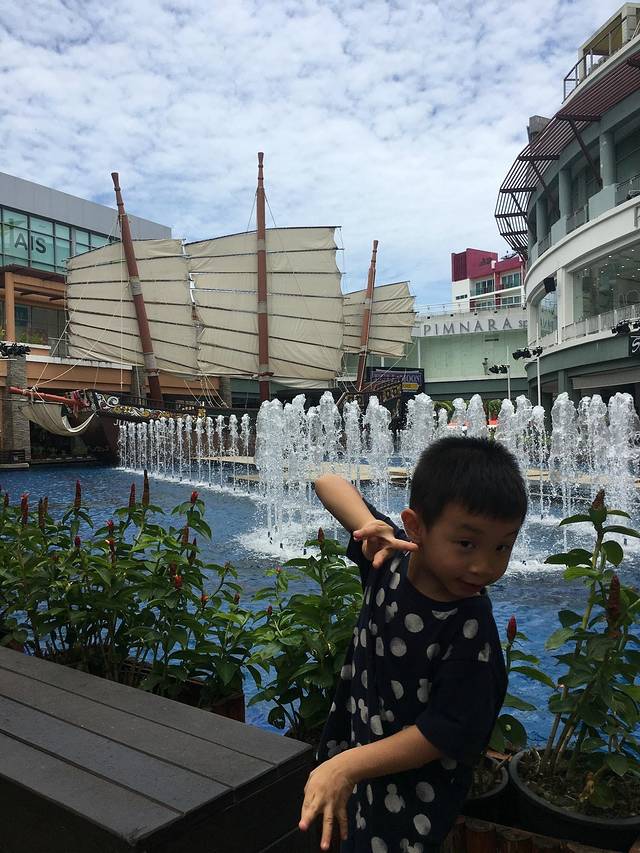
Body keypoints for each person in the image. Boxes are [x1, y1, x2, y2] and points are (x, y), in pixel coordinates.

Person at [298, 436, 527, 852]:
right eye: (466, 544)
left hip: (408, 807)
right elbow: (327, 482)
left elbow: (444, 732)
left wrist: (346, 767)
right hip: (360, 770)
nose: (484, 566)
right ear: (416, 528)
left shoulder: (470, 626)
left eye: (502, 547)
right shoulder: (387, 559)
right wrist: (371, 526)